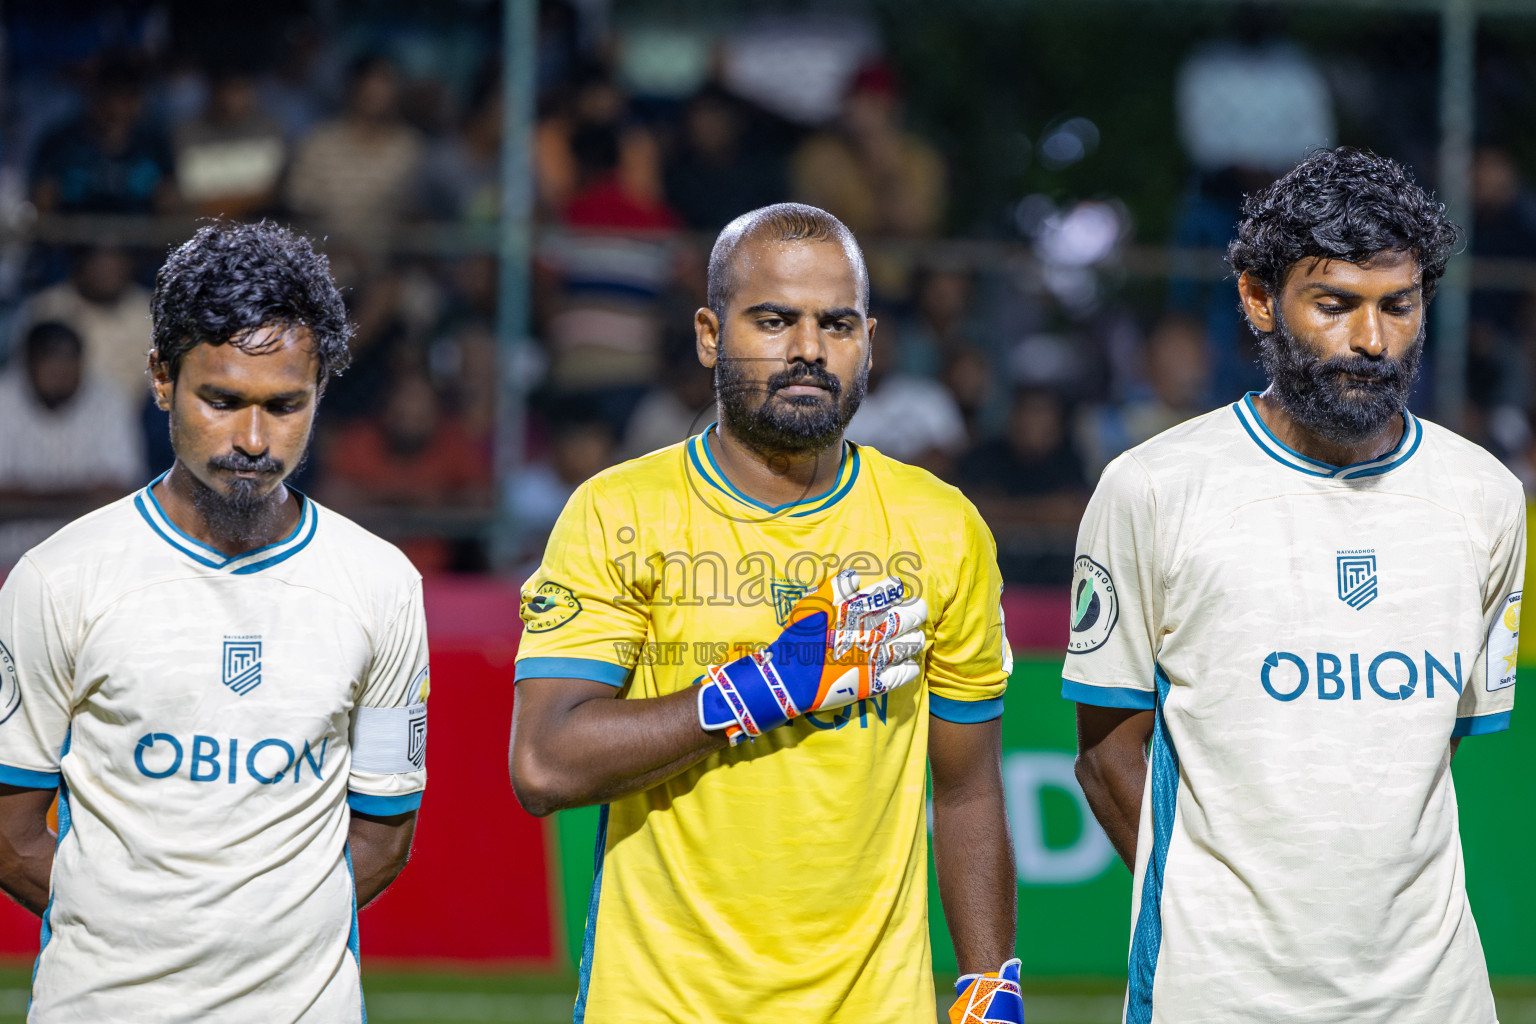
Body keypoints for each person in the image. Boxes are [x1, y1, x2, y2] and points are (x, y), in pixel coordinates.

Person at [509, 203, 1023, 1022]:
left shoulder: (942, 526)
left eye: (837, 324)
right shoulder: (618, 512)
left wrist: (989, 984)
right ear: (710, 335)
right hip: (658, 1005)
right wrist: (757, 691)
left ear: (868, 342)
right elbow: (544, 764)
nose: (809, 349)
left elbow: (966, 790)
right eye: (775, 321)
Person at [1067, 147, 1517, 1023]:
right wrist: (1208, 916)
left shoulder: (1485, 499)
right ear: (1258, 299)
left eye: (1398, 305)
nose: (1372, 340)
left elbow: (1427, 751)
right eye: (1335, 304)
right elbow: (1105, 754)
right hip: (1217, 997)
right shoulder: (1152, 488)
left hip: (1435, 997)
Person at [0, 221, 430, 1021]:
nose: (253, 440)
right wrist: (136, 940)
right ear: (162, 378)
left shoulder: (382, 585)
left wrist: (266, 947)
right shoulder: (58, 580)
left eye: (285, 405)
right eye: (222, 401)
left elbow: (383, 832)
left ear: (319, 392)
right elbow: (11, 829)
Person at [0, 320, 144, 501]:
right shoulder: (4, 397)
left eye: (68, 362)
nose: (60, 374)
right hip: (15, 521)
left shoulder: (110, 399)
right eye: (51, 363)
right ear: (28, 363)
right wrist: (75, 496)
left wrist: (33, 497)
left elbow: (119, 490)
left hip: (92, 520)